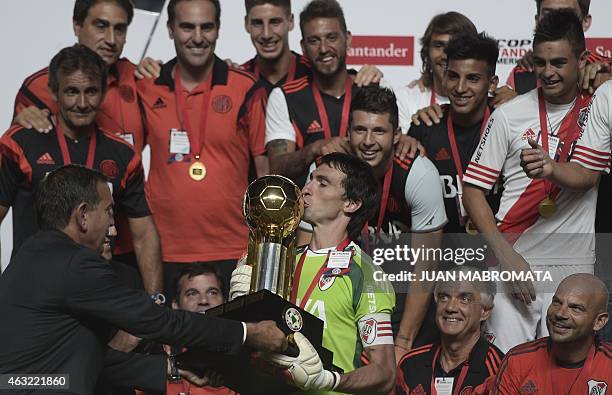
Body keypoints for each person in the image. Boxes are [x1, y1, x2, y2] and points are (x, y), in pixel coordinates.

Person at [0, 164, 287, 395]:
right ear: (83, 216)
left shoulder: (31, 255)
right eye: (110, 212)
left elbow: (83, 359)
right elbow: (160, 322)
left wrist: (171, 368)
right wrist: (248, 333)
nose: (113, 229)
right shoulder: (76, 263)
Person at [462, 10, 596, 353]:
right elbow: (473, 189)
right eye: (540, 62)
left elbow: (588, 176)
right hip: (514, 260)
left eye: (558, 62)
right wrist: (506, 258)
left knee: (563, 376)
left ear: (582, 59)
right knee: (504, 371)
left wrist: (551, 168)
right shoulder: (508, 115)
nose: (547, 72)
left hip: (573, 268)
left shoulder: (598, 110)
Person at [11, 0, 160, 292]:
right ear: (77, 26)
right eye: (101, 26)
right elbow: (19, 164)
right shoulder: (38, 87)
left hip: (118, 249)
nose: (111, 39)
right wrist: (21, 119)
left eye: (120, 29)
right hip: (48, 259)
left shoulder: (142, 80)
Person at [135, 0, 269, 298]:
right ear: (170, 29)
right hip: (164, 250)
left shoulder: (246, 87)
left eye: (206, 27)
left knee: (237, 343)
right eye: (187, 27)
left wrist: (264, 250)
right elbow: (125, 159)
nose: (197, 37)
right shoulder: (145, 86)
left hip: (235, 249)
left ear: (218, 30)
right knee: (166, 345)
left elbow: (264, 173)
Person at [232, 152, 396, 394]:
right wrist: (240, 305)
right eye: (310, 179)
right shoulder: (280, 259)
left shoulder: (365, 274)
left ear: (351, 203)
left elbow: (385, 372)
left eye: (322, 183)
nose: (306, 189)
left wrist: (328, 380)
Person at [408, 32, 501, 234]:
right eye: (453, 76)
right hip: (441, 256)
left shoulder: (507, 126)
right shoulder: (424, 127)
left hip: (498, 257)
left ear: (492, 83)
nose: (460, 88)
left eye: (472, 78)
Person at [396, 266, 505, 395]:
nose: (451, 307)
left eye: (464, 299)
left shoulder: (499, 370)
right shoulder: (410, 364)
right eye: (444, 297)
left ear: (485, 312)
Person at [494, 273, 610, 394]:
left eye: (575, 308)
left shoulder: (608, 365)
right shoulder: (518, 361)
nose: (560, 313)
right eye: (557, 302)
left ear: (599, 321)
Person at [507, 0, 611, 95]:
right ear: (537, 20)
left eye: (567, 15)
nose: (556, 21)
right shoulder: (522, 74)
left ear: (585, 22)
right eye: (548, 14)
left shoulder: (607, 71)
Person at [395, 12, 476, 131]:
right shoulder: (405, 99)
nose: (445, 55)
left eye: (455, 45)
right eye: (439, 45)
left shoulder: (490, 101)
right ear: (427, 52)